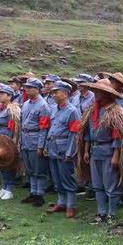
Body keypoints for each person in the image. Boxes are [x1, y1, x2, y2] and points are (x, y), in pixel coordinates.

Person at [79, 78, 123, 224]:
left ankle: (112, 214)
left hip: (108, 151)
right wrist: (86, 150)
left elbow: (118, 136)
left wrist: (116, 155)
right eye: (95, 91)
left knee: (110, 184)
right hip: (94, 151)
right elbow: (87, 132)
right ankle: (101, 213)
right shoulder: (92, 111)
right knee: (97, 184)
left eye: (100, 92)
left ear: (107, 93)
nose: (96, 94)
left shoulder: (115, 112)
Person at [45, 81, 80, 218]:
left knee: (67, 177)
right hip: (53, 146)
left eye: (56, 92)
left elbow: (74, 133)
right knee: (56, 177)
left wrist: (70, 152)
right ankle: (61, 202)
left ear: (65, 93)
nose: (54, 94)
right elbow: (50, 128)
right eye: (53, 92)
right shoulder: (53, 109)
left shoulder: (72, 111)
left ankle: (71, 205)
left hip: (64, 148)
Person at [20, 78, 51, 207]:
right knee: (30, 169)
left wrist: (40, 145)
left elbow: (44, 127)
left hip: (35, 137)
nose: (26, 89)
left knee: (39, 169)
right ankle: (33, 192)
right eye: (26, 87)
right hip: (25, 137)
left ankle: (40, 194)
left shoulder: (43, 105)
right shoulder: (26, 103)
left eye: (29, 87)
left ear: (37, 89)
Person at [0, 83, 21, 200]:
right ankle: (4, 187)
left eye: (2, 93)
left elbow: (16, 128)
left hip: (8, 141)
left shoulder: (13, 109)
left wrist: (15, 141)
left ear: (9, 96)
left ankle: (9, 189)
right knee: (1, 164)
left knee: (9, 165)